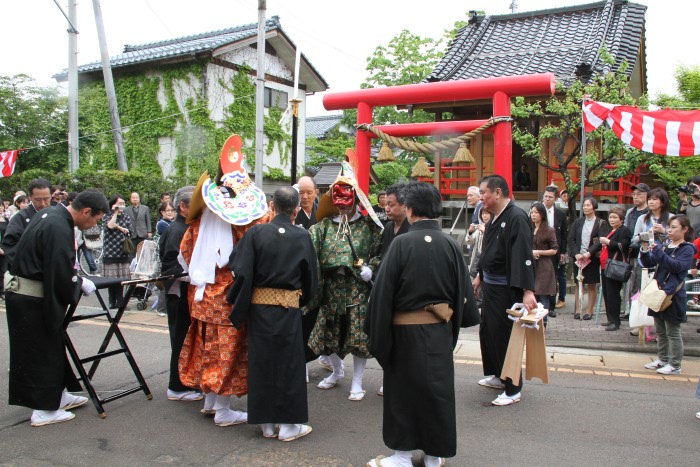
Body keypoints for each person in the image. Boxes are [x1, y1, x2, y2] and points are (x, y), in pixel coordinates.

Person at [365, 181, 480, 467]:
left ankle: (403, 457)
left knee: (404, 392)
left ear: (410, 208)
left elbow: (382, 294)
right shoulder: (450, 245)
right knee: (437, 392)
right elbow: (462, 293)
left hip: (404, 333)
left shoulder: (401, 243)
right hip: (439, 331)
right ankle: (433, 456)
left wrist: (378, 335)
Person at [178, 134, 270, 426]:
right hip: (229, 295)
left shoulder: (199, 220)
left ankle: (209, 401)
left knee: (206, 348)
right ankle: (222, 410)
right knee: (227, 353)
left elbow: (185, 253)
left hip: (201, 293)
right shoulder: (245, 221)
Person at [6, 189, 108, 426]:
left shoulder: (51, 215)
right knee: (39, 352)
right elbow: (60, 270)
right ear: (85, 211)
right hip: (31, 297)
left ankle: (57, 396)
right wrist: (78, 282)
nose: (93, 224)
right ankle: (43, 409)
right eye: (95, 218)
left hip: (27, 293)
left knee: (50, 348)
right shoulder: (58, 225)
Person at [228, 186, 318, 442]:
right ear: (296, 210)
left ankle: (266, 424)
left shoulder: (256, 232)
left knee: (262, 362)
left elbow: (239, 268)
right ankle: (289, 426)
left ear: (271, 206)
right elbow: (311, 278)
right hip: (288, 308)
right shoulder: (302, 237)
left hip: (259, 310)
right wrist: (303, 299)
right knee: (288, 365)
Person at [306, 160, 383, 401]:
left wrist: (371, 267)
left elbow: (380, 252)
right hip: (331, 288)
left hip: (357, 288)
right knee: (332, 334)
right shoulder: (322, 227)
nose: (342, 206)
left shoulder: (369, 227)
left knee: (358, 336)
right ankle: (337, 371)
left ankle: (358, 381)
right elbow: (311, 256)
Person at [474, 174, 536, 406]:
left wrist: (528, 290)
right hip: (490, 285)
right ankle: (499, 375)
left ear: (497, 192)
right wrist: (480, 276)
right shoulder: (495, 217)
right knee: (488, 331)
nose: (481, 198)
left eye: (483, 193)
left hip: (505, 289)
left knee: (503, 336)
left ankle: (513, 388)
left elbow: (523, 256)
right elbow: (487, 251)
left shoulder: (517, 217)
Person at [157, 186, 202, 403]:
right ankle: (176, 386)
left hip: (186, 292)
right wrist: (197, 275)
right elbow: (170, 268)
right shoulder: (176, 230)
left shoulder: (186, 226)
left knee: (186, 338)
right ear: (183, 206)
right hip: (179, 293)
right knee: (180, 338)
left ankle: (186, 381)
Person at [640, 215, 696, 375]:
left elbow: (676, 266)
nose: (670, 231)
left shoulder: (687, 248)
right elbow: (649, 263)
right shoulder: (665, 245)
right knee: (660, 330)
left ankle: (675, 364)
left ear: (685, 229)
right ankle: (662, 359)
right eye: (669, 227)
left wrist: (659, 252)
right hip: (658, 292)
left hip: (673, 295)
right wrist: (645, 249)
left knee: (673, 331)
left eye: (674, 227)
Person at [588, 206, 632, 331]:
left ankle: (615, 321)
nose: (612, 219)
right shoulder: (611, 230)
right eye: (610, 217)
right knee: (607, 294)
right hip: (605, 266)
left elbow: (624, 246)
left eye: (615, 217)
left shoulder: (624, 231)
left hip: (615, 266)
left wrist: (607, 242)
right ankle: (610, 319)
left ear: (621, 219)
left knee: (613, 294)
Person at [568, 196, 609, 320]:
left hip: (592, 258)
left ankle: (589, 310)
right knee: (578, 282)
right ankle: (578, 309)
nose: (585, 207)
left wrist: (588, 253)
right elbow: (571, 239)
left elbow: (600, 241)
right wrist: (576, 253)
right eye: (584, 205)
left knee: (591, 284)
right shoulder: (578, 222)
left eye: (588, 205)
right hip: (578, 257)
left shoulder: (601, 223)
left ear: (594, 207)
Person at [2, 179, 53, 269]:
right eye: (38, 199)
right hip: (30, 271)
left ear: (51, 195)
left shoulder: (57, 214)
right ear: (30, 197)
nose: (42, 203)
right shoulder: (20, 217)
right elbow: (10, 244)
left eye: (46, 199)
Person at [101, 194, 134, 309]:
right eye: (119, 203)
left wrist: (122, 229)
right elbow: (110, 226)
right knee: (111, 279)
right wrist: (115, 213)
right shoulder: (107, 216)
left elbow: (130, 231)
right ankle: (111, 301)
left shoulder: (126, 216)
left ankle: (120, 301)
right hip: (110, 252)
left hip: (123, 251)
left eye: (123, 204)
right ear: (112, 205)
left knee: (121, 280)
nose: (122, 206)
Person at [624, 183, 650, 317]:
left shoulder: (649, 212)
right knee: (629, 282)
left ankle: (641, 311)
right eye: (634, 194)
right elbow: (626, 230)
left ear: (646, 195)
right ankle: (629, 310)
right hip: (629, 252)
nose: (635, 197)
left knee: (641, 281)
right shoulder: (630, 212)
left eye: (639, 194)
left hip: (644, 252)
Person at [542, 186, 568, 316]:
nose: (547, 199)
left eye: (550, 197)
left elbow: (563, 234)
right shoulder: (536, 210)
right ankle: (540, 304)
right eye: (545, 196)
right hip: (539, 249)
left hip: (554, 250)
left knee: (553, 277)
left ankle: (551, 307)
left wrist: (562, 251)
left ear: (555, 199)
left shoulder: (560, 214)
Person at [529, 202, 558, 314]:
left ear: (542, 214)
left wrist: (538, 252)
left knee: (543, 295)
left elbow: (554, 250)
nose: (533, 215)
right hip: (531, 265)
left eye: (536, 212)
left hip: (543, 266)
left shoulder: (549, 230)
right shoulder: (529, 228)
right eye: (532, 212)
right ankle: (532, 322)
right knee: (532, 294)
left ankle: (543, 322)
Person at [380, 183, 409, 257]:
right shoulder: (388, 226)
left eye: (391, 205)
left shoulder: (413, 227)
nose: (387, 209)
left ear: (404, 205)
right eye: (386, 204)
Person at [467, 208, 491, 279]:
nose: (484, 216)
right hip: (477, 260)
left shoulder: (494, 228)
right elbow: (470, 242)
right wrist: (470, 232)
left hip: (487, 263)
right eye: (483, 214)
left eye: (487, 213)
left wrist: (485, 231)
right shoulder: (480, 227)